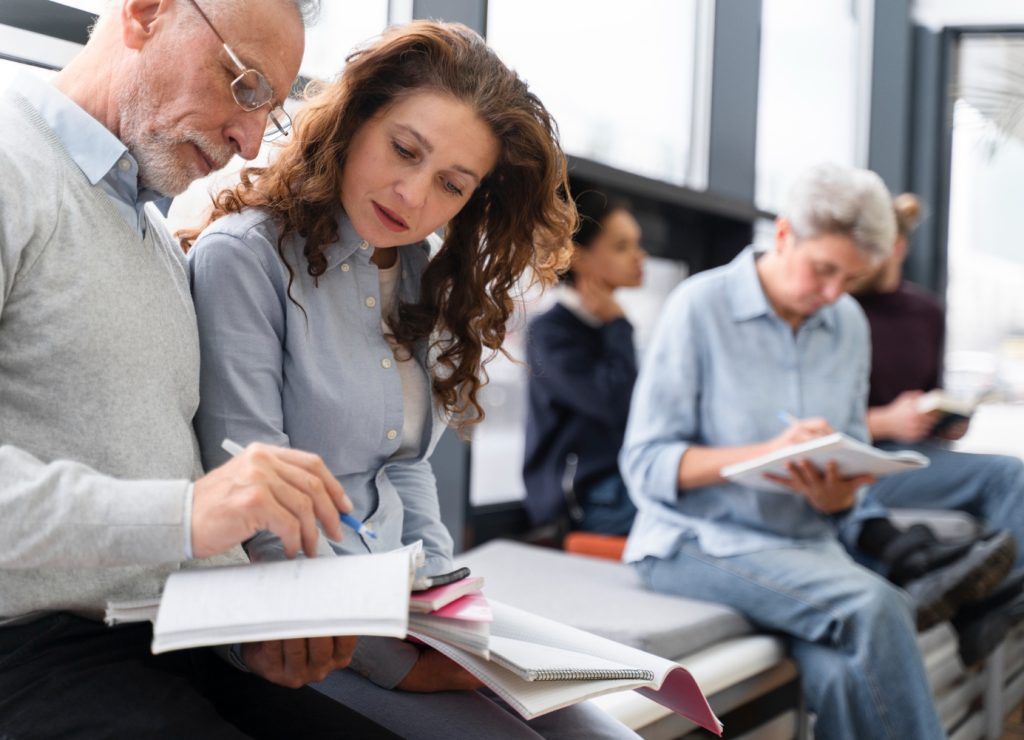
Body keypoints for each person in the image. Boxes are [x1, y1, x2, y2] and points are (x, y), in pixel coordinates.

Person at [185, 21, 638, 739]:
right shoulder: (243, 260)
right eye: (404, 150)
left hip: (400, 611)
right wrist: (393, 660)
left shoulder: (418, 269)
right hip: (297, 633)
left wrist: (449, 611)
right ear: (357, 118)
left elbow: (403, 471)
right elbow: (255, 511)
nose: (412, 194)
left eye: (451, 185)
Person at [0, 1, 402, 737]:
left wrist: (250, 640)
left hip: (161, 640)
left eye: (270, 113)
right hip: (26, 649)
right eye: (245, 85)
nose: (249, 142)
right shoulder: (10, 161)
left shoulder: (154, 241)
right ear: (146, 12)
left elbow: (166, 500)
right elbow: (179, 516)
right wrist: (187, 516)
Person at [620, 163, 1009, 739]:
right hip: (693, 541)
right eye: (823, 270)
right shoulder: (699, 307)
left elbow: (848, 459)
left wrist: (837, 495)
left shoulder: (847, 322)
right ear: (783, 235)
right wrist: (762, 453)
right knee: (877, 607)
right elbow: (645, 464)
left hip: (807, 548)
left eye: (849, 280)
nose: (832, 294)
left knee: (853, 678)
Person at [852, 192, 1024, 664]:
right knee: (1008, 475)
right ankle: (990, 604)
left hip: (918, 454)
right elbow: (811, 419)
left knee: (1010, 476)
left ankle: (997, 597)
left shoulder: (926, 313)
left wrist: (945, 421)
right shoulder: (837, 308)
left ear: (897, 246)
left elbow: (928, 391)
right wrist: (886, 420)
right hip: (864, 458)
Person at [523, 190, 645, 535]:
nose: (640, 256)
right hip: (582, 500)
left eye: (637, 244)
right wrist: (619, 325)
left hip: (621, 485)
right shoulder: (550, 332)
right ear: (579, 257)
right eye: (622, 246)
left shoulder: (606, 326)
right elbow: (618, 405)